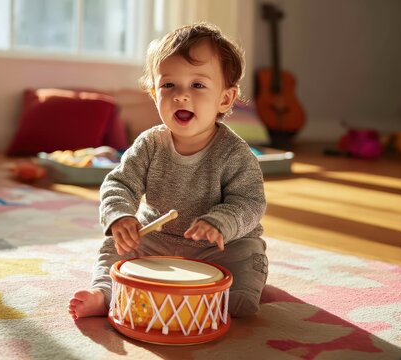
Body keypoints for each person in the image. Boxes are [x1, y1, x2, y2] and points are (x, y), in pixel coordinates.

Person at [68, 22, 268, 319]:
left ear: (225, 98)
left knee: (248, 256)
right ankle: (105, 293)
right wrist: (121, 216)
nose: (181, 96)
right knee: (116, 245)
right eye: (168, 85)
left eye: (197, 85)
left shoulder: (234, 152)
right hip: (156, 239)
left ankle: (229, 299)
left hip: (218, 245)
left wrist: (220, 222)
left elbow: (250, 202)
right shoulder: (149, 143)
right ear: (154, 93)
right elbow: (119, 183)